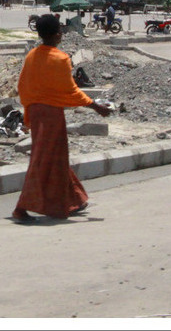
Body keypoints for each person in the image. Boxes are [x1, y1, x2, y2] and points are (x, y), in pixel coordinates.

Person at [12, 14, 112, 224]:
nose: (61, 34)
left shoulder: (31, 55)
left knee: (56, 157)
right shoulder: (61, 59)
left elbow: (23, 86)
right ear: (57, 34)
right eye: (59, 30)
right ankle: (21, 208)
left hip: (37, 112)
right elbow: (71, 90)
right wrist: (96, 107)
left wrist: (29, 108)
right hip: (51, 115)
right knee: (43, 159)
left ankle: (75, 200)